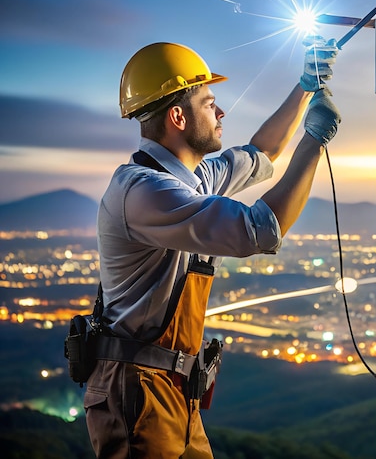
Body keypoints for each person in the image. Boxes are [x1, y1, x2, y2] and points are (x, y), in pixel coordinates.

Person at [84, 40, 340, 458]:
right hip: (136, 390)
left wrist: (306, 86)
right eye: (209, 104)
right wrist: (313, 142)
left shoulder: (192, 179)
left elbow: (263, 152)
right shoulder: (144, 191)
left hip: (172, 388)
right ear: (178, 116)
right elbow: (259, 230)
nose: (221, 114)